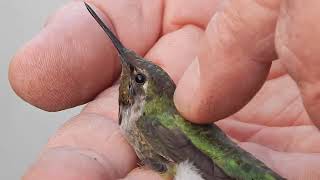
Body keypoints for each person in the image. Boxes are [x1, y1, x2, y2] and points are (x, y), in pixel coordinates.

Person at [9, 1, 320, 179]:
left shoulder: (148, 122)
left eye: (138, 79)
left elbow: (189, 162)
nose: (129, 73)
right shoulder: (146, 117)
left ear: (148, 95)